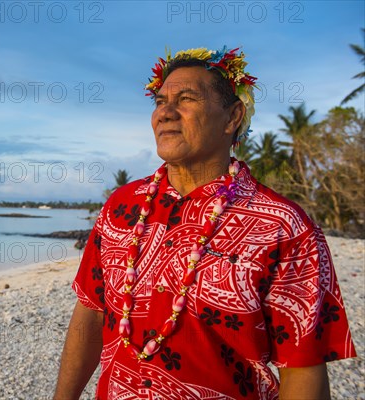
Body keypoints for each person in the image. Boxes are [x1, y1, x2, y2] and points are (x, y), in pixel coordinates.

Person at [53, 47, 356, 400]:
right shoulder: (121, 207)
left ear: (232, 117)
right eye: (160, 101)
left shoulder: (284, 226)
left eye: (186, 99)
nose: (165, 113)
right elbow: (90, 312)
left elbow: (302, 363)